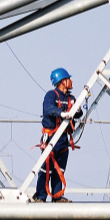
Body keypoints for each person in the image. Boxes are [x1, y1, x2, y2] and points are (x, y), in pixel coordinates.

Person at [32, 67, 83, 203]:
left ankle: (57, 196)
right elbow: (49, 109)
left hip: (63, 139)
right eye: (68, 79)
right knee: (45, 169)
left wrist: (77, 111)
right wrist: (61, 113)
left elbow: (78, 114)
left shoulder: (71, 98)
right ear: (62, 81)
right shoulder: (51, 95)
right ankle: (40, 196)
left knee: (59, 169)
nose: (71, 81)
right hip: (50, 137)